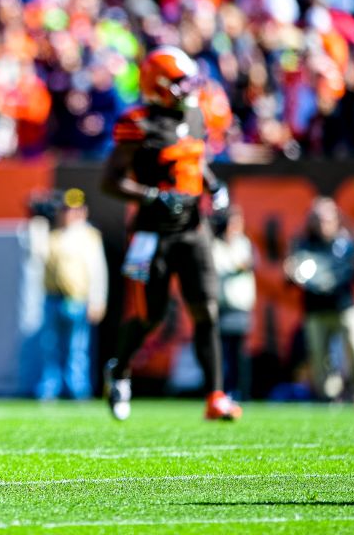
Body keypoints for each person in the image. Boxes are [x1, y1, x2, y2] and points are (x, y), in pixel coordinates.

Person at [101, 46, 242, 422]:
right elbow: (111, 180)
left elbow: (197, 160)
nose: (188, 90)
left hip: (194, 230)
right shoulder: (138, 123)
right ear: (159, 85)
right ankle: (120, 368)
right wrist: (153, 196)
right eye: (180, 83)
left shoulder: (195, 114)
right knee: (151, 316)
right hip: (152, 234)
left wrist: (214, 186)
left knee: (207, 311)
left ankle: (215, 396)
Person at [285, 197, 354, 403]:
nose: (322, 223)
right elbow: (292, 277)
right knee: (319, 356)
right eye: (317, 219)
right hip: (315, 309)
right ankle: (328, 398)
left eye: (326, 218)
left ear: (336, 219)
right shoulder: (303, 243)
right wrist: (290, 272)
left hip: (345, 305)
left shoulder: (349, 242)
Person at [36, 189, 107, 401]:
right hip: (52, 297)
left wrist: (98, 299)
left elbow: (98, 271)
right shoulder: (52, 234)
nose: (69, 214)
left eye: (74, 209)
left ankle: (78, 390)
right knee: (50, 347)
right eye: (66, 209)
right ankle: (50, 389)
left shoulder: (89, 236)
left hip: (76, 298)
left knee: (77, 349)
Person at [211, 206, 257, 400]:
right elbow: (223, 267)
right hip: (223, 308)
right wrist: (239, 265)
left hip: (241, 307)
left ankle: (242, 392)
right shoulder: (216, 245)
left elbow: (251, 262)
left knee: (240, 354)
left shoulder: (244, 243)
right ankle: (222, 391)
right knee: (222, 354)